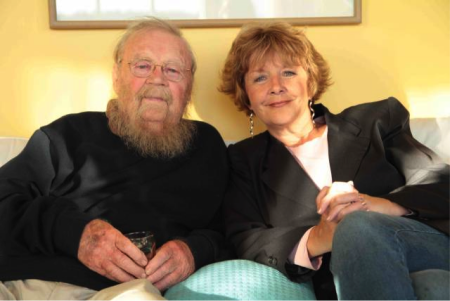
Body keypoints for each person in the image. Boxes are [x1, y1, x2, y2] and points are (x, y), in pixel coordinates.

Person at [0, 18, 229, 300]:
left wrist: (196, 250)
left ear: (189, 86)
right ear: (116, 76)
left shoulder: (207, 147)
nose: (157, 79)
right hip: (19, 280)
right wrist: (74, 233)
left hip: (120, 294)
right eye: (142, 66)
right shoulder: (67, 135)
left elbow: (231, 230)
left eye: (172, 69)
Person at [219, 22, 450, 301]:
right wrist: (320, 236)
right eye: (259, 78)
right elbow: (244, 238)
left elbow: (440, 183)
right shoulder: (243, 161)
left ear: (310, 82)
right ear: (246, 95)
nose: (276, 87)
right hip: (343, 282)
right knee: (432, 287)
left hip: (420, 243)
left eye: (288, 72)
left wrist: (373, 205)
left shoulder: (376, 121)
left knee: (358, 225)